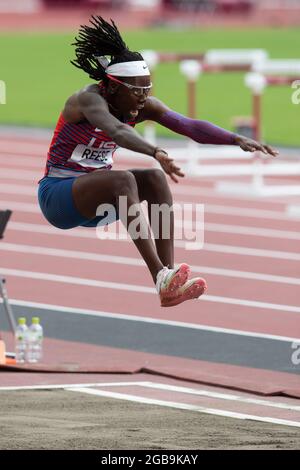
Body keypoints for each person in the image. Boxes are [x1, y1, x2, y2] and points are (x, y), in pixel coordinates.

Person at [38, 16, 278, 308]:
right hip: (59, 196)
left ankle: (170, 280)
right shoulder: (87, 101)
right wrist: (155, 151)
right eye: (136, 90)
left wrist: (234, 139)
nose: (143, 97)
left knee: (154, 179)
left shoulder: (141, 106)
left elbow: (188, 125)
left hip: (100, 202)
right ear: (112, 87)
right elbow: (117, 131)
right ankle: (159, 275)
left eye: (147, 89)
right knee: (123, 179)